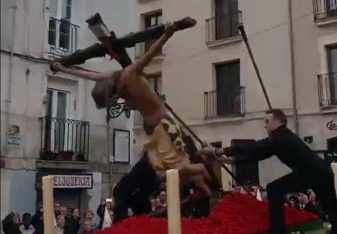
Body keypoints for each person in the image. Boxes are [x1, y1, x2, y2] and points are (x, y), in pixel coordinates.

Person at [51, 17, 212, 196]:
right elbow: (87, 75)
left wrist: (168, 33)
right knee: (162, 172)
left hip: (163, 123)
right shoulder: (110, 78)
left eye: (114, 99)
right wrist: (63, 69)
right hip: (152, 129)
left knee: (174, 169)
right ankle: (199, 181)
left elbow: (150, 54)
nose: (119, 98)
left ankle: (200, 170)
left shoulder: (130, 73)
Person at [200, 109, 337, 234]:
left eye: (267, 122)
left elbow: (255, 147)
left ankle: (278, 231)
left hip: (311, 172)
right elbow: (258, 154)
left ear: (277, 122)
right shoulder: (282, 137)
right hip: (322, 172)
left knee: (274, 189)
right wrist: (231, 161)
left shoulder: (280, 137)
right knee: (330, 207)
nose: (265, 126)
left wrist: (220, 150)